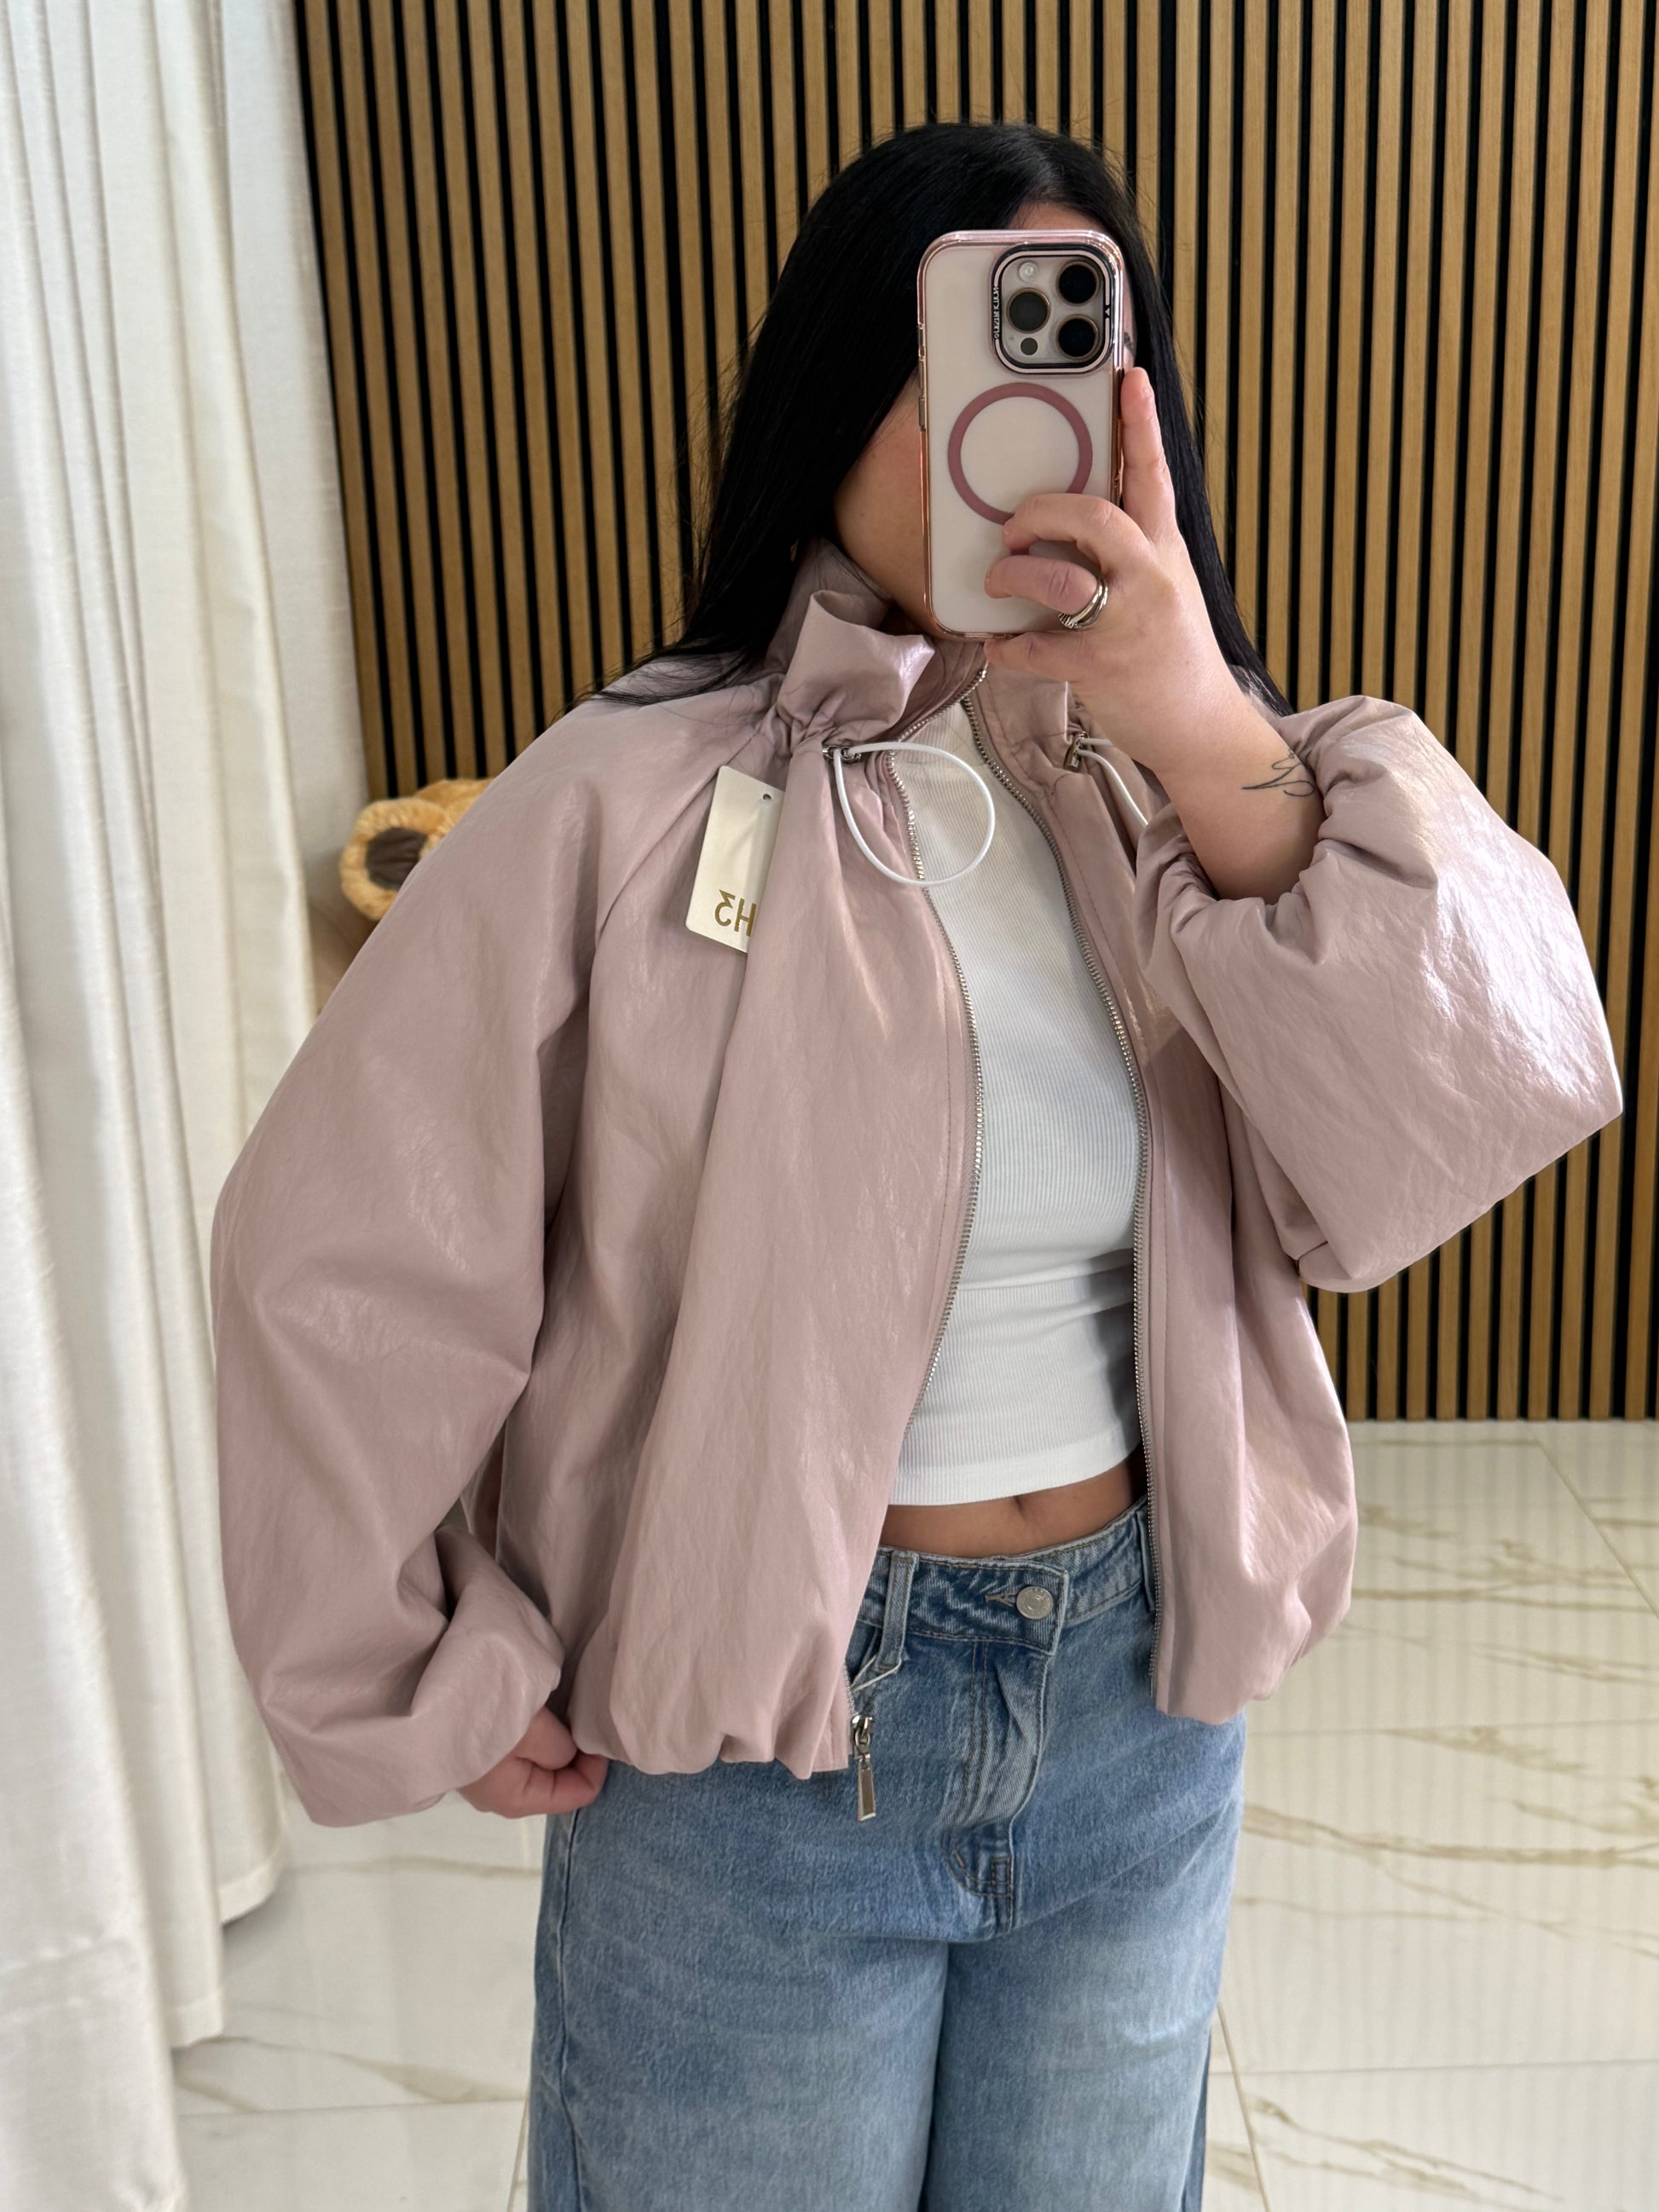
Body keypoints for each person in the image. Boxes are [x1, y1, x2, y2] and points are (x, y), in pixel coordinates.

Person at [208, 122, 1622, 2212]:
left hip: (1140, 1708)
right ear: (832, 394)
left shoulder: (1191, 792)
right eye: (957, 361)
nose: (1011, 431)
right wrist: (405, 1658)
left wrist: (1196, 721)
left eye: (1068, 363)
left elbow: (1466, 1101)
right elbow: (345, 1248)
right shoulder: (622, 795)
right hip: (751, 1757)